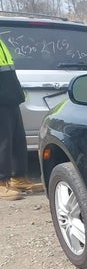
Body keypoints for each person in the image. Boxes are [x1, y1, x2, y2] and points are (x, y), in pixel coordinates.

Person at [0, 38, 43, 201]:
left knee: (17, 140)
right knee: (2, 142)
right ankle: (1, 183)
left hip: (10, 97)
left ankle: (18, 179)